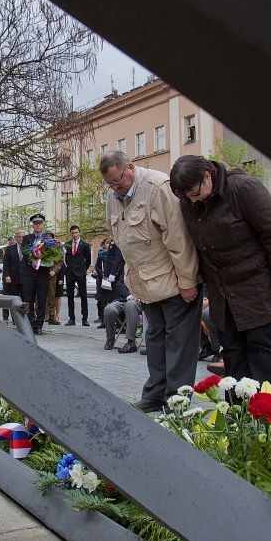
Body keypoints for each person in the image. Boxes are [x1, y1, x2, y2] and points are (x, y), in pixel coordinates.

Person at [171, 156, 271, 395]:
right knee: (232, 355)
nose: (192, 199)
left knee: (263, 354)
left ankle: (266, 418)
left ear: (208, 176)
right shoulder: (189, 201)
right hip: (222, 295)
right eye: (186, 196)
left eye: (195, 192)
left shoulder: (243, 188)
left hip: (258, 290)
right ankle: (237, 420)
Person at [100, 151, 201, 412]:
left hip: (174, 281)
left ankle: (176, 401)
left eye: (117, 181)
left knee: (178, 343)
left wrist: (187, 281)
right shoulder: (113, 197)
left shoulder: (158, 187)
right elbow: (123, 241)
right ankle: (155, 394)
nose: (114, 188)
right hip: (145, 284)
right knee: (154, 339)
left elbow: (179, 239)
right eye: (109, 184)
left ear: (130, 168)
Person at [20, 214, 55, 334]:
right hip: (28, 273)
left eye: (40, 223)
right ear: (32, 225)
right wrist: (33, 255)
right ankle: (30, 322)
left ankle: (39, 324)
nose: (38, 225)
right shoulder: (27, 238)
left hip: (42, 273)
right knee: (28, 299)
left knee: (41, 300)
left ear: (43, 225)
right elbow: (24, 251)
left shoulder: (48, 239)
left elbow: (53, 254)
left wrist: (44, 256)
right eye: (35, 223)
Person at [103, 277, 142, 353]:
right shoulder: (126, 269)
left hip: (139, 300)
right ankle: (110, 339)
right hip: (124, 299)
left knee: (130, 305)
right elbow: (120, 284)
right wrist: (128, 296)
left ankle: (131, 342)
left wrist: (137, 297)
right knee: (109, 309)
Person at [64, 225, 92, 326]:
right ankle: (71, 318)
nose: (74, 235)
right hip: (70, 273)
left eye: (76, 232)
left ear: (79, 233)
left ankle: (85, 319)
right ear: (70, 234)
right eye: (72, 233)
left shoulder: (85, 245)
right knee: (70, 297)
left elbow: (88, 259)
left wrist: (84, 269)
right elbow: (65, 258)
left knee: (83, 296)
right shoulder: (67, 244)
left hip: (80, 273)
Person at [1, 231, 24, 323]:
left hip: (24, 279)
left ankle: (19, 319)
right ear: (16, 238)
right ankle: (9, 318)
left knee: (22, 299)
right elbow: (6, 264)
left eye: (23, 237)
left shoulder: (28, 248)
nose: (21, 238)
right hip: (12, 278)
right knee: (11, 298)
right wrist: (7, 275)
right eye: (19, 237)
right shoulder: (10, 249)